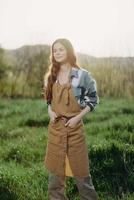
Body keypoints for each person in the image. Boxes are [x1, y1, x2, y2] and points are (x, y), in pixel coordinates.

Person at [43, 38, 99, 200]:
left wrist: (77, 118)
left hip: (74, 130)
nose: (58, 53)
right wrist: (50, 111)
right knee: (55, 178)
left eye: (61, 49)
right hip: (56, 130)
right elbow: (48, 99)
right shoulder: (51, 76)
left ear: (69, 50)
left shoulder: (82, 75)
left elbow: (93, 100)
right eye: (55, 50)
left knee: (82, 176)